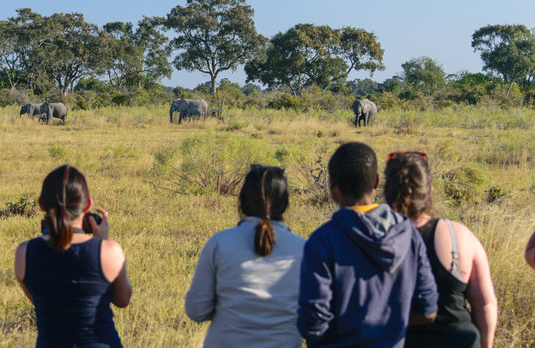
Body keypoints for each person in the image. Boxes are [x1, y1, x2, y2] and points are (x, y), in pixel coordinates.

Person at [297, 142, 438, 348]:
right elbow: (428, 309)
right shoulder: (408, 234)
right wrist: (389, 326)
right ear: (377, 182)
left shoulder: (322, 240)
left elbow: (313, 321)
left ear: (331, 185)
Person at [185, 165, 306, 347]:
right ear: (285, 204)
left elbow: (196, 310)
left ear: (241, 200)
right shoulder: (303, 248)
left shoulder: (219, 243)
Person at [385, 151, 497, 348]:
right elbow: (485, 304)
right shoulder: (459, 235)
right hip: (460, 340)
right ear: (430, 190)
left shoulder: (377, 240)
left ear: (386, 191)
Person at [14, 164, 132, 347]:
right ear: (88, 205)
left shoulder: (24, 252)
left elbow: (40, 301)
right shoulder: (110, 250)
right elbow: (122, 300)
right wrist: (102, 242)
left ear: (40, 205)